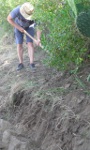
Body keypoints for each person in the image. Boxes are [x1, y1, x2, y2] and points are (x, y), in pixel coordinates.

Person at [7, 2, 41, 71]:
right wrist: (18, 27)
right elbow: (9, 19)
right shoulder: (17, 10)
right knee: (19, 44)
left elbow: (39, 27)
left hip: (29, 27)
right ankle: (21, 63)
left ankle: (32, 63)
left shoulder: (36, 14)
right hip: (18, 26)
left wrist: (38, 39)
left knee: (30, 44)